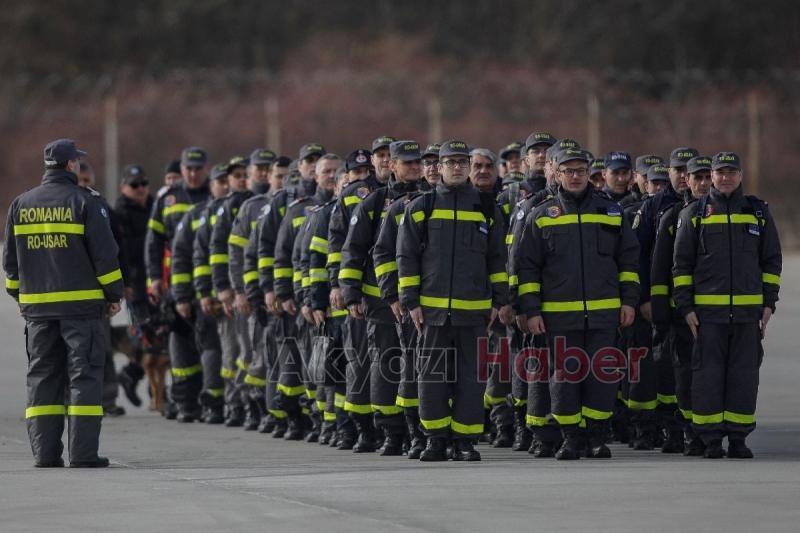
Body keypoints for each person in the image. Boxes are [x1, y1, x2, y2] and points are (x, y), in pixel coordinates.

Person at [3, 139, 123, 468]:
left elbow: (10, 266)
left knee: (43, 378)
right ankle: (83, 455)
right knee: (83, 377)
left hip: (38, 314)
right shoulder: (85, 202)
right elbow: (106, 258)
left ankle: (45, 455)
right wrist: (114, 295)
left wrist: (22, 297)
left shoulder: (20, 204)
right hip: (82, 311)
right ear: (71, 165)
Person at [517, 148, 640, 460]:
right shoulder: (541, 214)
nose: (575, 176)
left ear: (590, 174)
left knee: (602, 375)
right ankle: (571, 437)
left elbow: (628, 261)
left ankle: (596, 437)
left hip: (603, 313)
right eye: (568, 171)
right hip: (559, 316)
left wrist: (628, 303)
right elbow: (527, 268)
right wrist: (531, 311)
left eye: (580, 171)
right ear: (557, 174)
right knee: (564, 378)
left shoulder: (611, 212)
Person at [397, 140, 509, 462]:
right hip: (431, 313)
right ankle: (435, 439)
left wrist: (496, 302)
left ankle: (465, 441)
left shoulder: (487, 208)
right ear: (439, 167)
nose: (458, 167)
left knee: (471, 380)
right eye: (452, 162)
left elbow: (498, 260)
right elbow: (406, 258)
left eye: (463, 162)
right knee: (431, 378)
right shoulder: (421, 207)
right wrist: (411, 302)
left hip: (474, 313)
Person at [672, 152, 781, 459]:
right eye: (720, 172)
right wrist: (687, 308)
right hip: (707, 317)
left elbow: (771, 260)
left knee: (743, 377)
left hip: (748, 316)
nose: (725, 177)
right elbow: (681, 265)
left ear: (740, 175)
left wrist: (768, 304)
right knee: (707, 377)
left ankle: (737, 438)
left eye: (731, 172)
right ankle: (710, 439)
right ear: (713, 176)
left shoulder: (757, 212)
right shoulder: (695, 214)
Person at [145, 146, 211, 421]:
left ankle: (210, 400)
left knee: (209, 343)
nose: (193, 174)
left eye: (197, 169)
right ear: (181, 170)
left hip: (209, 282)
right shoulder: (168, 197)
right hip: (177, 283)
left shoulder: (215, 192)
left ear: (205, 168)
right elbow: (153, 241)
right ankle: (184, 402)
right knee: (180, 343)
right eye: (188, 169)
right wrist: (155, 279)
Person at [114, 164, 155, 409]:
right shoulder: (120, 211)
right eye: (134, 185)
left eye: (143, 184)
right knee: (145, 336)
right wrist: (154, 240)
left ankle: (147, 383)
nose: (140, 189)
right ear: (123, 187)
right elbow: (125, 249)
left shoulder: (154, 204)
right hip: (136, 283)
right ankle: (133, 375)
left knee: (159, 336)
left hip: (156, 282)